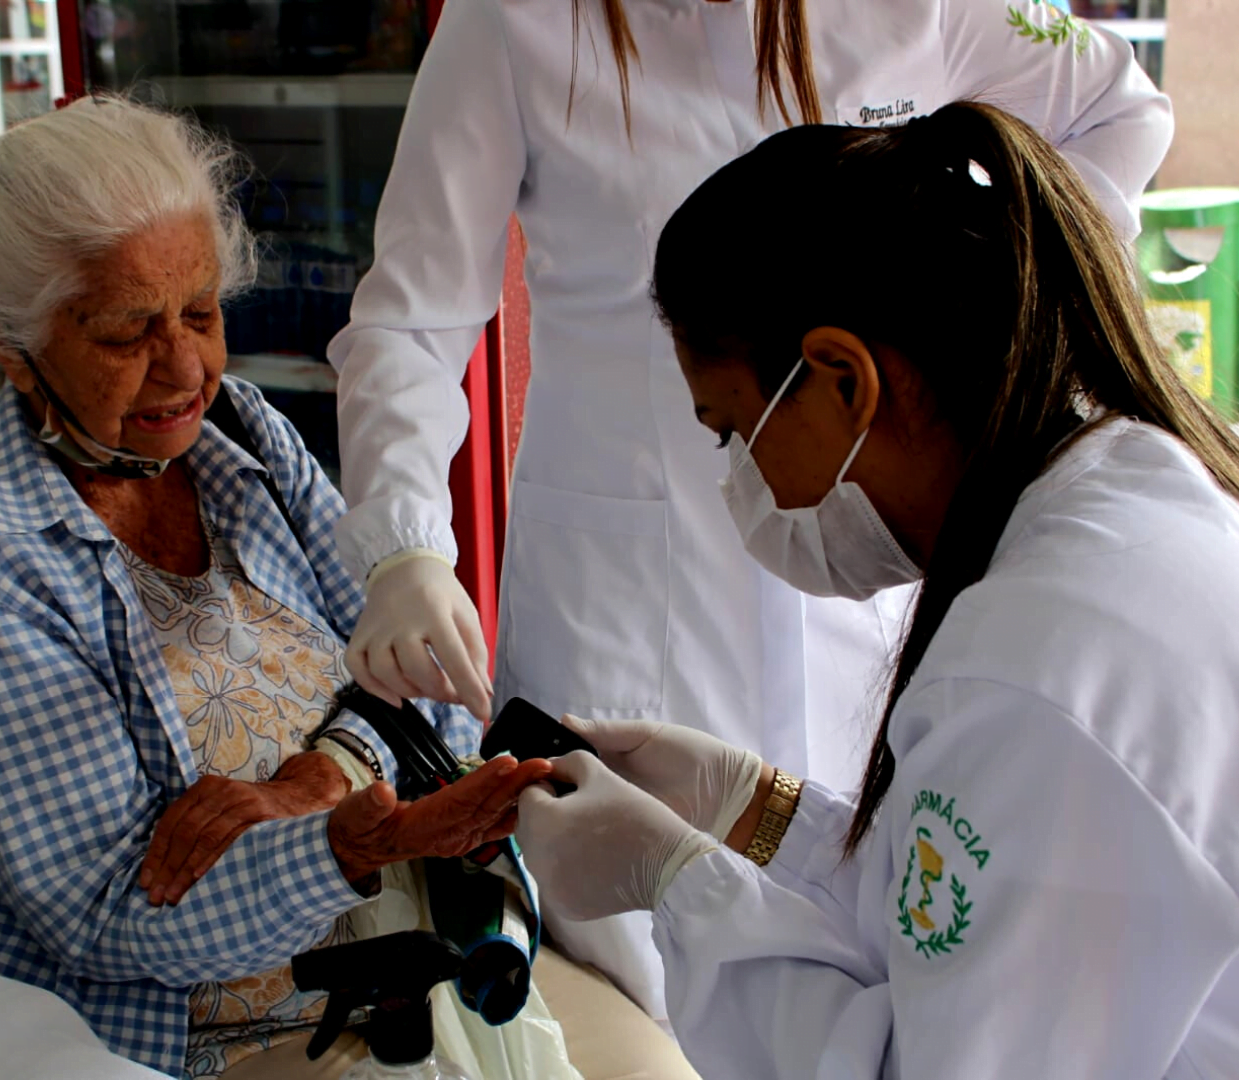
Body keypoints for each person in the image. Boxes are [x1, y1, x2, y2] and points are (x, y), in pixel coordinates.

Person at [326, 0, 1172, 1017]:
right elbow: (413, 317)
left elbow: (1123, 113)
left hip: (857, 552)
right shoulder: (514, 18)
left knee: (886, 923)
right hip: (628, 587)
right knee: (626, 974)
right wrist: (405, 545)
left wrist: (974, 316)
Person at [0, 98, 696, 1080]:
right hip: (193, 1038)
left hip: (403, 953)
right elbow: (116, 920)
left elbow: (425, 689)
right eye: (125, 332)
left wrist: (322, 781)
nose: (184, 367)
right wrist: (356, 844)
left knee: (664, 1063)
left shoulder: (241, 438)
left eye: (200, 312)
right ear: (12, 348)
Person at [515, 100, 1239, 1078]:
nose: (746, 481)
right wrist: (748, 804)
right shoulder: (1127, 490)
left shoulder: (1033, 672)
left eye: (732, 431)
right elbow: (963, 913)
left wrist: (675, 881)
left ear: (842, 380)